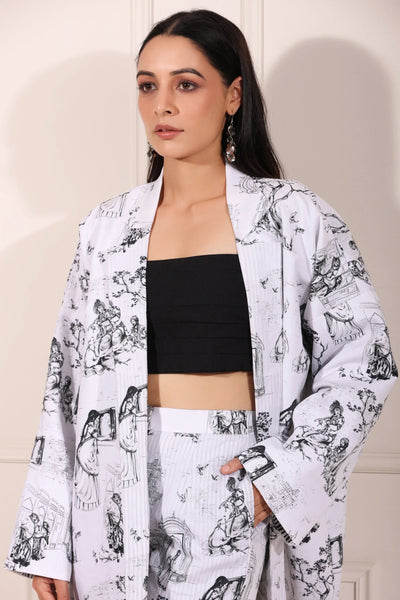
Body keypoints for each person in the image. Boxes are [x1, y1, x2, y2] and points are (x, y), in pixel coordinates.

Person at [4, 8, 397, 600]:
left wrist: (282, 478)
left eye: (186, 85)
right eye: (147, 86)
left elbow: (363, 360)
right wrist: (49, 541)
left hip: (232, 477)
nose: (162, 105)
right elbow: (65, 386)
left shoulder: (294, 218)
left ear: (233, 95)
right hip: (109, 491)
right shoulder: (106, 229)